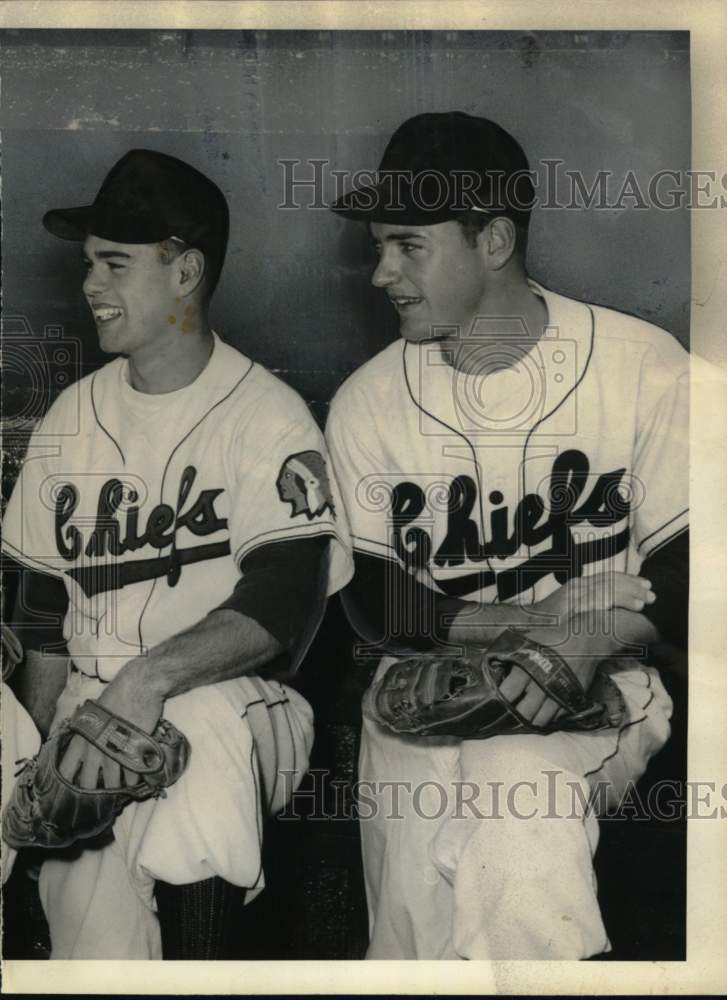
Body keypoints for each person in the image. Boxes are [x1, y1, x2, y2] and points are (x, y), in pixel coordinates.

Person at [326, 111, 688, 959]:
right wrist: (540, 618)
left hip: (597, 688)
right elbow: (375, 602)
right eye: (379, 246)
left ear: (492, 240)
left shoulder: (644, 366)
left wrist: (584, 638)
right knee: (414, 922)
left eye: (408, 246)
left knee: (515, 793)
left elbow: (689, 575)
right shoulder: (367, 401)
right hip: (422, 690)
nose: (381, 273)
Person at [1, 148, 352, 959]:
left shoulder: (267, 415)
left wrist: (144, 683)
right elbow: (44, 611)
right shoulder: (71, 416)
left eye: (115, 263)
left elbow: (282, 609)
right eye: (89, 263)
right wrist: (42, 743)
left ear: (185, 272)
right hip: (94, 705)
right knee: (97, 952)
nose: (91, 284)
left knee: (200, 729)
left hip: (236, 699)